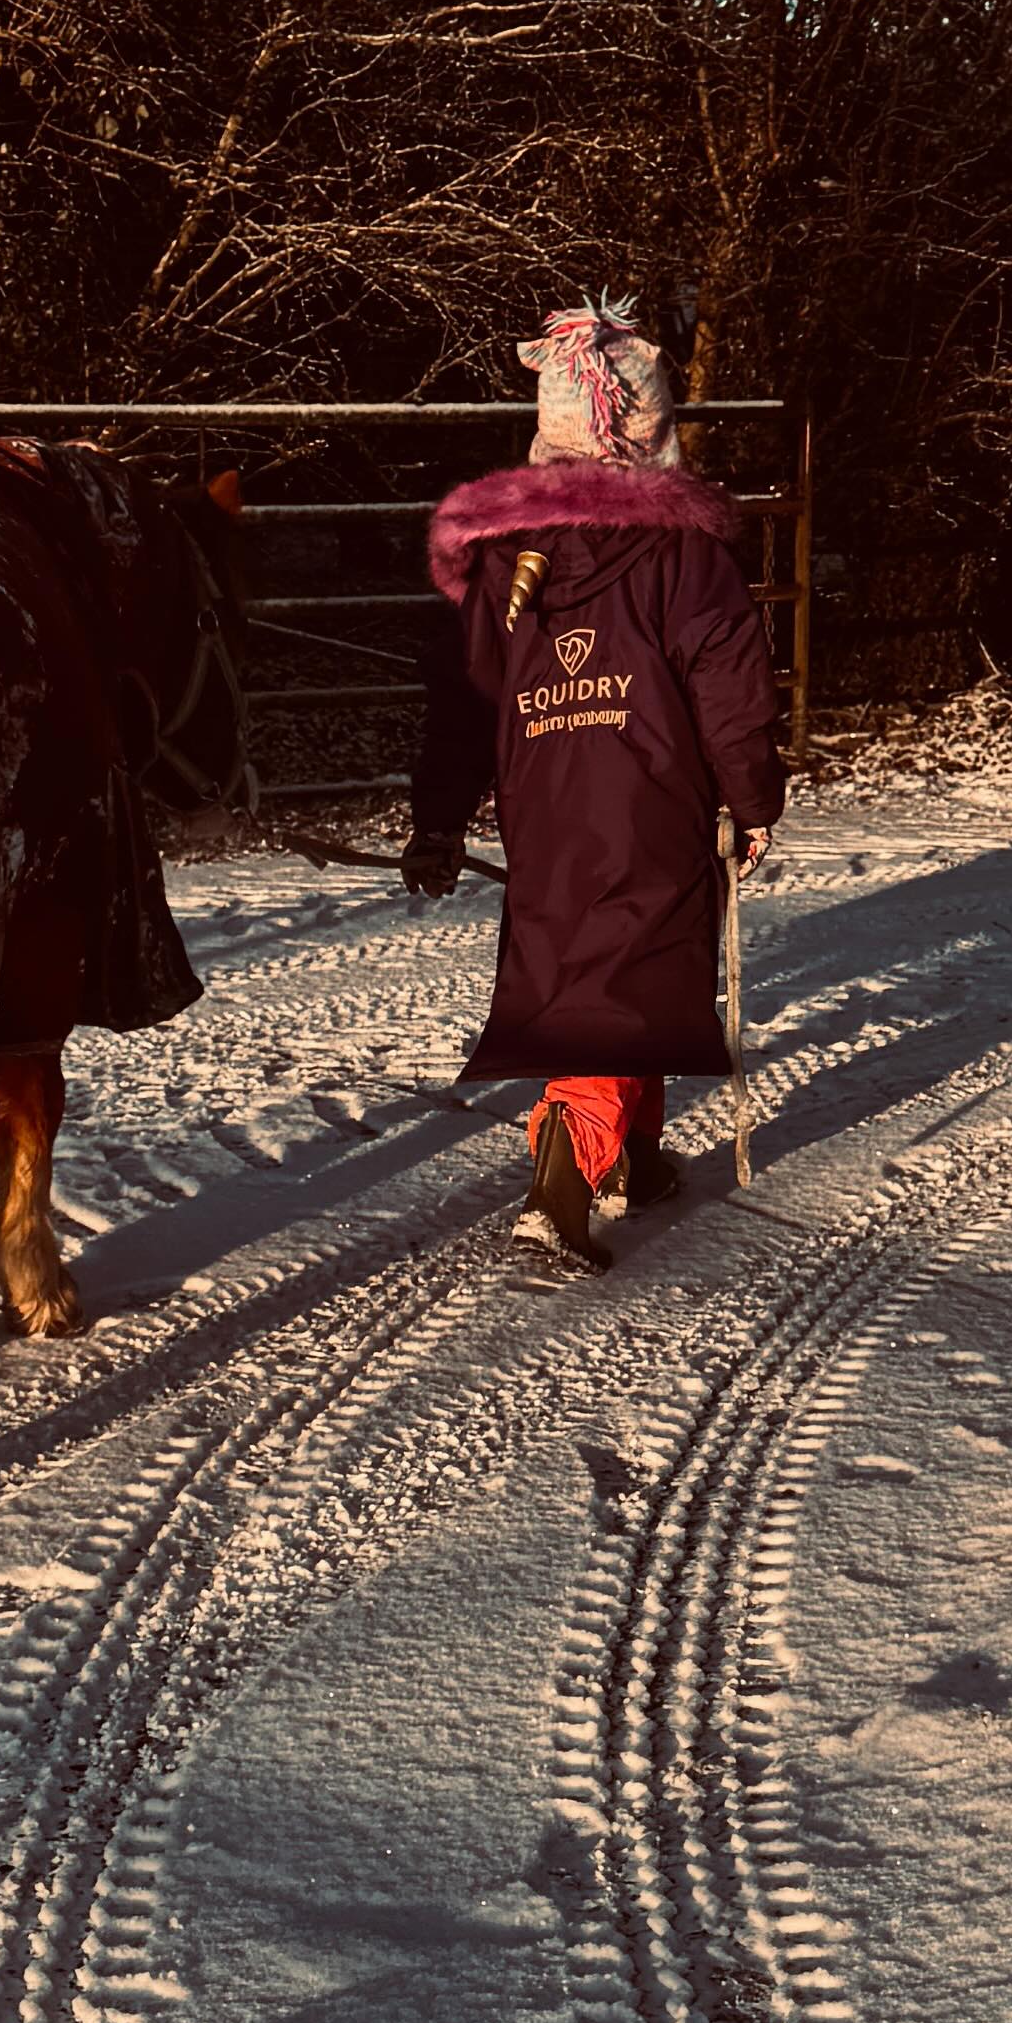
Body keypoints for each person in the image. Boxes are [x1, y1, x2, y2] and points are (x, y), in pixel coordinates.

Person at [404, 294, 784, 1284]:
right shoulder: (682, 553)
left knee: (600, 971)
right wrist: (753, 799)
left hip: (543, 801)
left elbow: (461, 699)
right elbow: (729, 682)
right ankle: (560, 1191)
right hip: (651, 795)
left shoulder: (498, 565)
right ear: (652, 424)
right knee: (625, 977)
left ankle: (641, 1157)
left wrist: (439, 818)